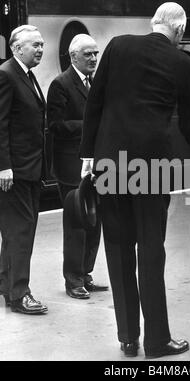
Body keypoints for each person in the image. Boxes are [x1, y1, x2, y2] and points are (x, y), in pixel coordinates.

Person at [80, 2, 190, 358]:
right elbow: (188, 122)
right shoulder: (183, 63)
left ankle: (127, 338)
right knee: (150, 249)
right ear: (179, 30)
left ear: (153, 23)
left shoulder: (118, 45)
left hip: (108, 162)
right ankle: (158, 341)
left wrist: (88, 156)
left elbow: (95, 103)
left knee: (117, 250)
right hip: (152, 167)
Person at [47, 34, 108, 299]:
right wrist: (92, 126)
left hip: (96, 166)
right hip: (71, 166)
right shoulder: (60, 84)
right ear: (73, 57)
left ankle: (85, 273)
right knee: (76, 223)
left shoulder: (96, 83)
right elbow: (56, 126)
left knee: (95, 221)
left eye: (96, 53)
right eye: (88, 54)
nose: (94, 58)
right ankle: (73, 280)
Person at [0, 25, 48, 314]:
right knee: (21, 231)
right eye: (35, 45)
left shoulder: (25, 75)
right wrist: (4, 167)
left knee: (16, 230)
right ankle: (20, 294)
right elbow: (0, 124)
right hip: (15, 170)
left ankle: (7, 284)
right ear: (17, 48)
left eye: (42, 44)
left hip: (29, 168)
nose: (40, 49)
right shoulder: (6, 75)